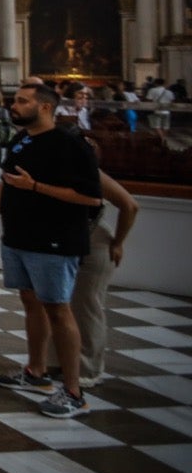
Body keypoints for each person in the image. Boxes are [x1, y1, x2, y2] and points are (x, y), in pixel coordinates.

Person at [0, 82, 104, 419]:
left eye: (22, 101)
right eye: (15, 101)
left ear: (45, 107)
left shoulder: (70, 145)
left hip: (55, 240)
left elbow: (91, 197)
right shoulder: (21, 140)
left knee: (58, 309)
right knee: (30, 301)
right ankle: (36, 371)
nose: (14, 106)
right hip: (20, 237)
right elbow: (7, 181)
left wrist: (36, 187)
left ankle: (74, 391)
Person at [45, 158, 138, 388]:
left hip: (94, 242)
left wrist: (118, 242)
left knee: (87, 306)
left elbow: (130, 205)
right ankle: (58, 362)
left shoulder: (86, 169)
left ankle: (88, 369)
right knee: (60, 305)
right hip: (65, 241)